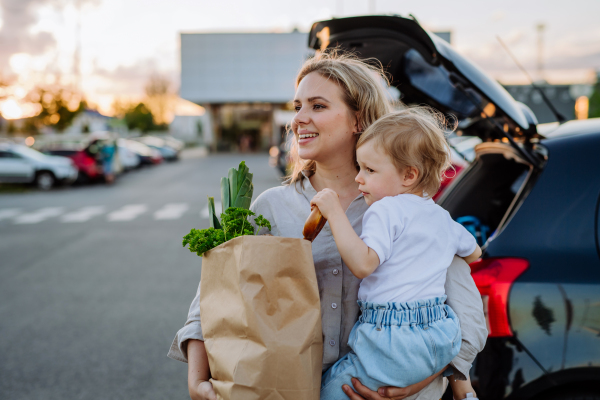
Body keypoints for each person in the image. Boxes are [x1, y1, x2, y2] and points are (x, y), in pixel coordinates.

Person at [168, 50, 488, 400]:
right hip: (288, 387)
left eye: (317, 106)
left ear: (358, 120)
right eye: (297, 107)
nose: (298, 119)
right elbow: (214, 299)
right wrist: (197, 381)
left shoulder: (409, 209)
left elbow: (463, 308)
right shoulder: (272, 208)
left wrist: (426, 380)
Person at [311, 107, 481, 400]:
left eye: (370, 170)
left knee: (325, 392)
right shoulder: (442, 218)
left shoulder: (385, 209)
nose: (359, 179)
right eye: (360, 167)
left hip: (392, 339)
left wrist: (334, 212)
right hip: (441, 334)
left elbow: (364, 264)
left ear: (408, 175)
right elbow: (474, 254)